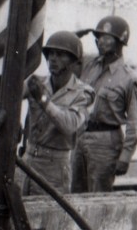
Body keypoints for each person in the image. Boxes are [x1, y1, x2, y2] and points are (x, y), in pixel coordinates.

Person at [72, 16, 137, 193]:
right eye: (98, 37)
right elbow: (68, 56)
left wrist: (126, 156)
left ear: (120, 41)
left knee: (98, 193)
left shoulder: (129, 79)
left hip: (106, 142)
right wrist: (74, 37)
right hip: (79, 136)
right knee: (73, 192)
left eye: (107, 37)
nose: (100, 41)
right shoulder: (88, 64)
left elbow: (135, 123)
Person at [21, 31, 94, 196]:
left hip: (55, 166)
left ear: (74, 61)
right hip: (28, 159)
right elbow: (9, 97)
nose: (53, 59)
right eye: (51, 54)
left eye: (61, 55)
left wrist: (43, 100)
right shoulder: (37, 82)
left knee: (49, 216)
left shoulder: (83, 93)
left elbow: (70, 125)